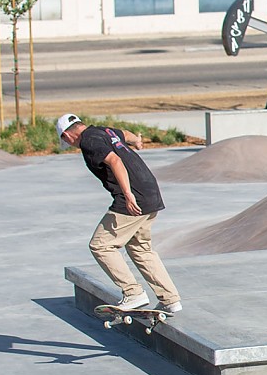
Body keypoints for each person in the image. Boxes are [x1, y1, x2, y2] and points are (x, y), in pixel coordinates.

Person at [57, 113, 182, 313]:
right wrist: (137, 140)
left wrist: (128, 195)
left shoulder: (88, 141)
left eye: (67, 142)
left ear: (67, 136)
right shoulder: (103, 131)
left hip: (133, 198)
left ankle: (133, 293)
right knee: (140, 248)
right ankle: (170, 299)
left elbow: (115, 161)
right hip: (150, 192)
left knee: (100, 245)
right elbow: (126, 134)